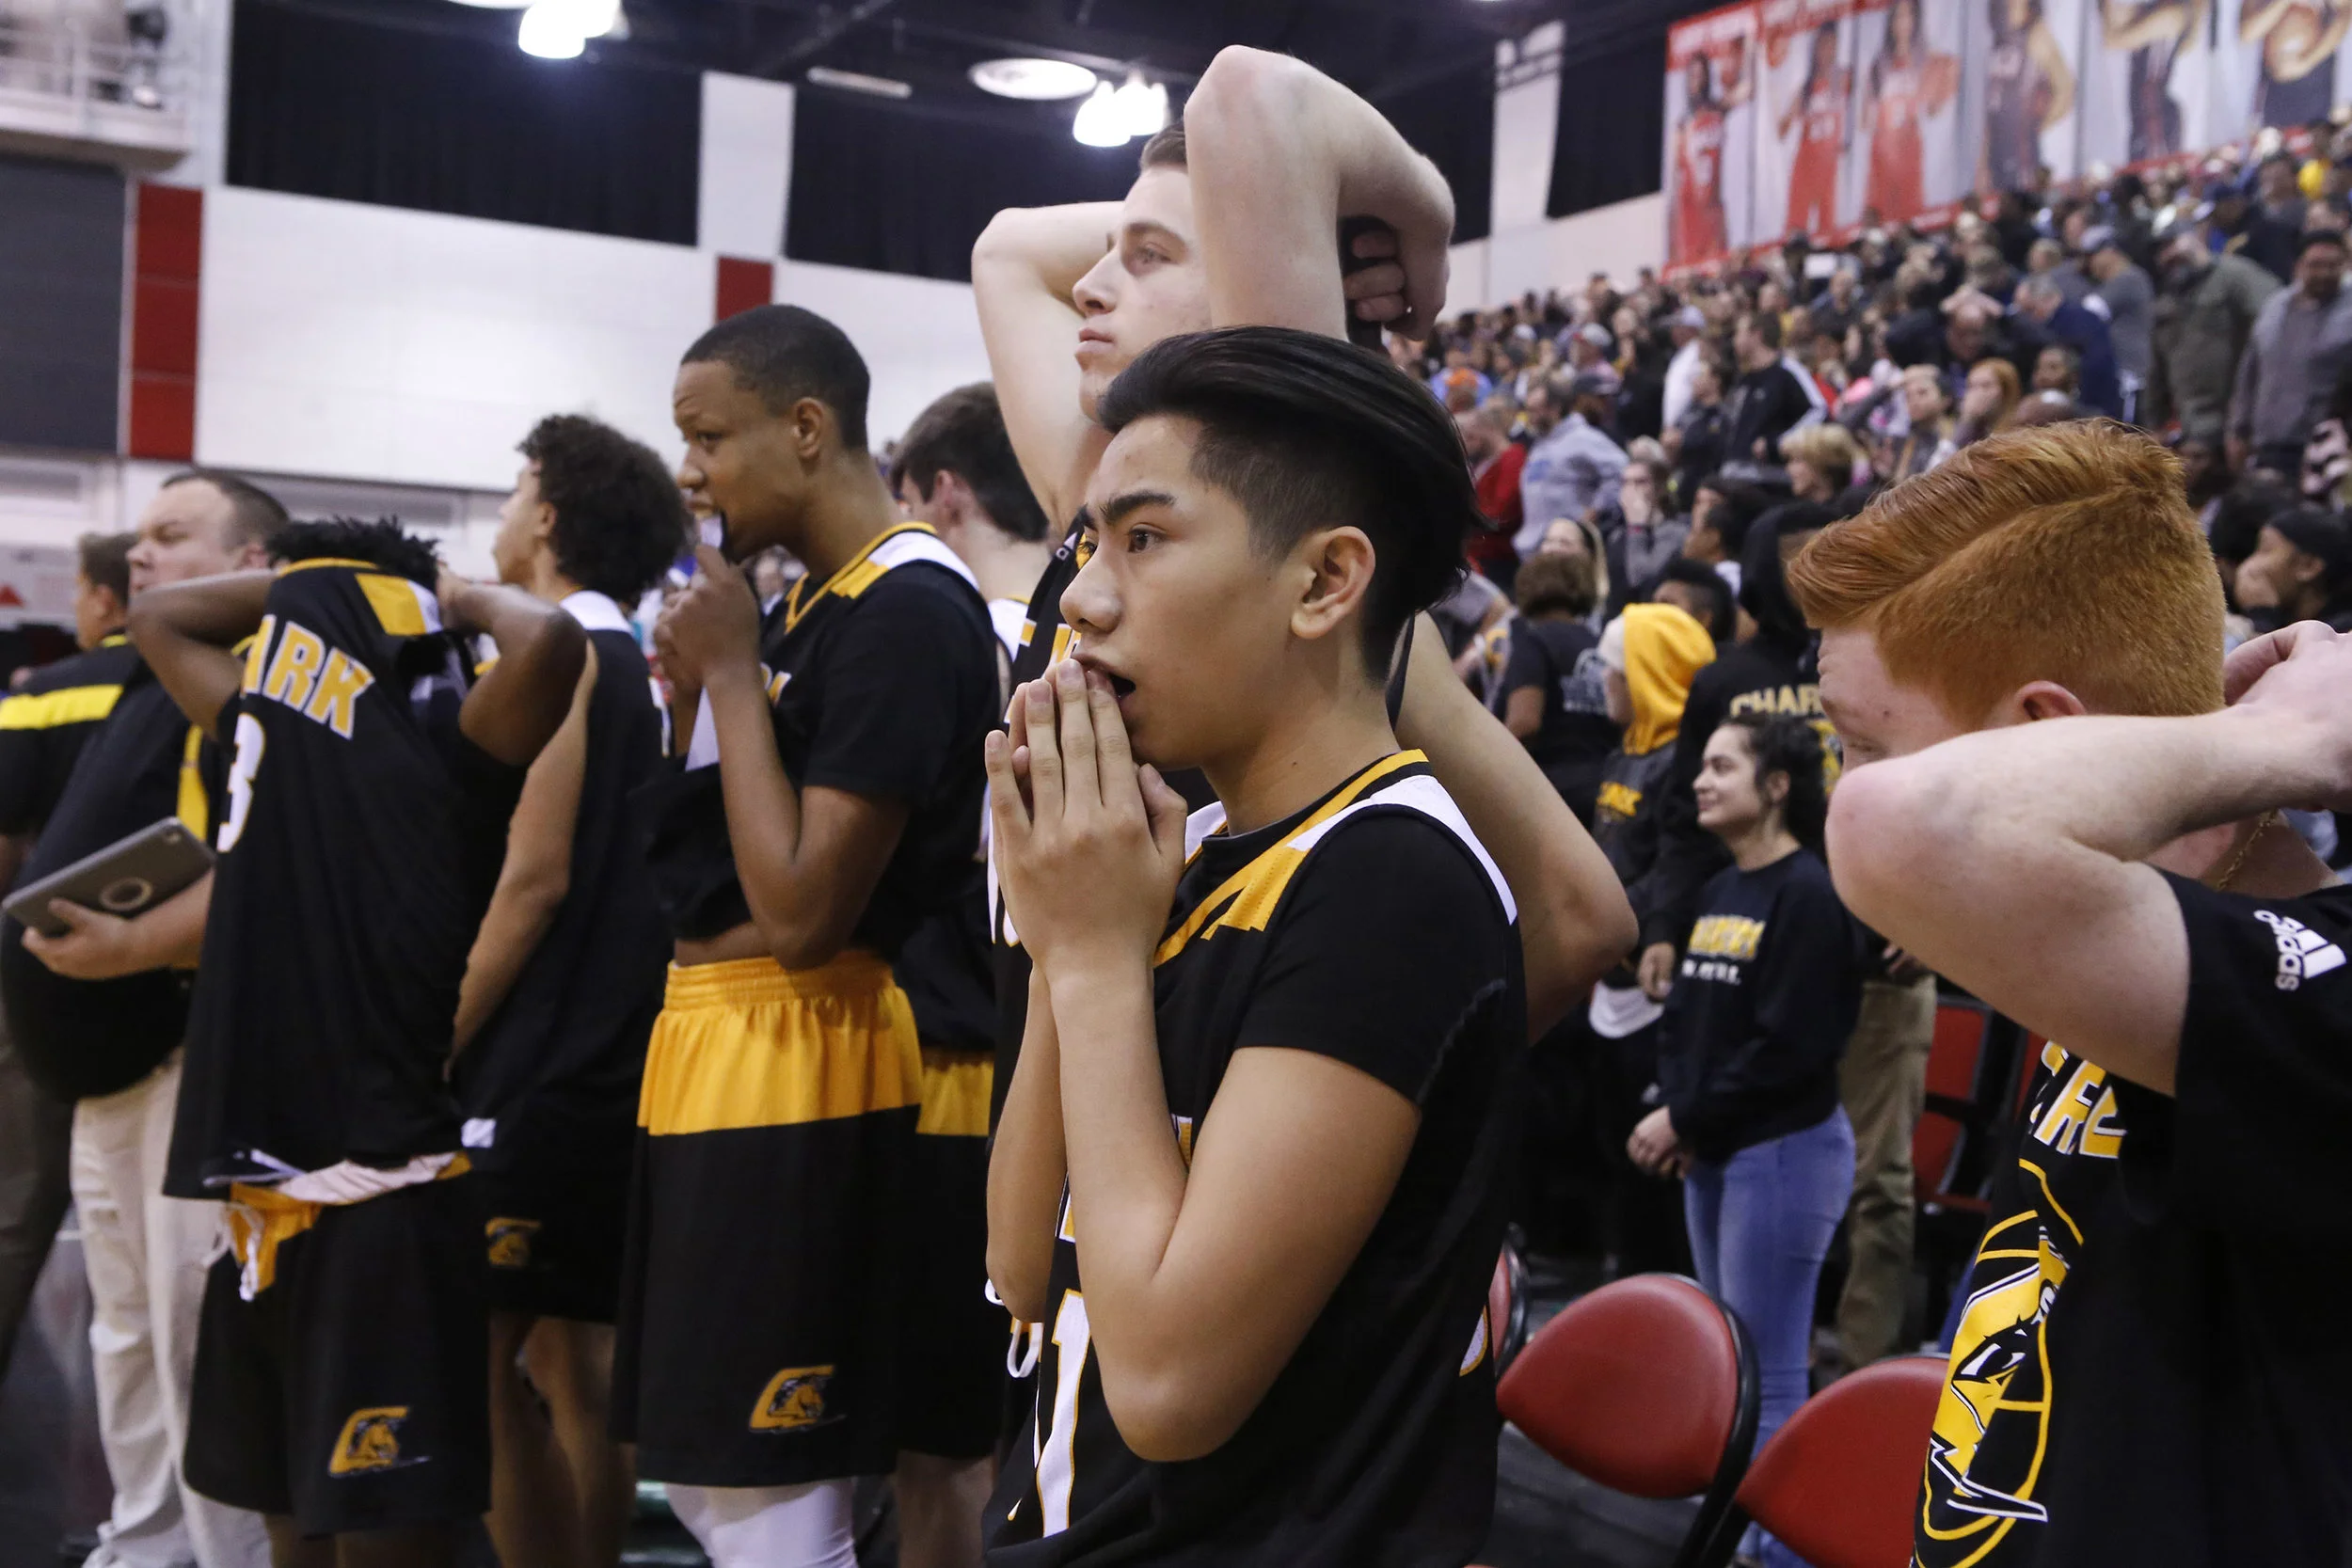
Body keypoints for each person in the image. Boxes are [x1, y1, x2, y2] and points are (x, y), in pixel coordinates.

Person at [984, 325, 1607, 1563]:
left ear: (1324, 583)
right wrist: (1066, 930)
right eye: (1091, 542)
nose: (1086, 595)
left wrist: (1100, 956)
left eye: (1145, 538)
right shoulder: (1199, 856)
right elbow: (1016, 1261)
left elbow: (1167, 1384)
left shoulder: (1393, 878)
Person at [1789, 418, 2352, 1565]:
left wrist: (2284, 739)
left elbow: (1908, 824)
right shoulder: (2102, 947)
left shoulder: (2314, 994)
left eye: (1859, 738)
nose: (1839, 780)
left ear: (2040, 733)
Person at [133, 517, 584, 1568]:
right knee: (288, 1520)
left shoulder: (451, 731)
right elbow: (155, 617)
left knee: (389, 1540)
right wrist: (305, 589)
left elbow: (550, 644)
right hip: (262, 1185)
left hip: (386, 1190)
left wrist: (446, 591)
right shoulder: (259, 716)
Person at [625, 305, 1000, 1568]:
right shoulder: (815, 608)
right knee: (724, 1486)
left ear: (805, 427)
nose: (690, 470)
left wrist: (731, 680)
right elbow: (704, 869)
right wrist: (707, 692)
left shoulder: (904, 607)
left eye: (707, 436)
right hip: (758, 1059)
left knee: (780, 1490)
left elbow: (797, 913)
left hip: (840, 1062)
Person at [5, 478, 290, 1568]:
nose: (141, 556)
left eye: (173, 537)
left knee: (190, 1336)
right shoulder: (137, 682)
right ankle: (142, 1539)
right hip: (104, 1065)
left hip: (193, 1053)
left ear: (251, 558)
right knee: (123, 1328)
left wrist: (130, 946)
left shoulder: (255, 689)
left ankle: (228, 1553)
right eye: (140, 539)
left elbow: (264, 870)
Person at [453, 417, 686, 1568]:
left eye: (513, 491)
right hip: (609, 1055)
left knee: (472, 1359)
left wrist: (435, 1034)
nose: (499, 516)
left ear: (547, 516)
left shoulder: (560, 651)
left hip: (544, 1066)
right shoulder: (627, 653)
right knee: (571, 1367)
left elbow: (531, 877)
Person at [1629, 714, 1862, 1568]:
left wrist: (1686, 1118)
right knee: (1736, 1372)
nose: (1699, 779)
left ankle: (1781, 1553)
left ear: (1775, 786)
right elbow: (1692, 1024)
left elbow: (1791, 1046)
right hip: (1723, 1147)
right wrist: (1688, 1115)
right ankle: (1739, 1539)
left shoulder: (1810, 894)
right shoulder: (1724, 891)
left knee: (1769, 1372)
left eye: (1723, 765)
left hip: (1784, 1150)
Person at [0, 530, 135, 1380]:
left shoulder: (41, 694)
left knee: (21, 1202)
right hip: (172, 983)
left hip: (44, 974)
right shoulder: (200, 691)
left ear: (104, 598)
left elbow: (4, 841)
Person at [1587, 600, 1718, 1277]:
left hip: (1653, 974)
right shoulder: (1624, 749)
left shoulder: (1683, 765)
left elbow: (1673, 868)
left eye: (1617, 670)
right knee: (1612, 1145)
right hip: (1608, 972)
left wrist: (1607, 917)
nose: (1606, 683)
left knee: (1653, 1159)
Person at [892, 382, 1057, 660]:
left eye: (911, 504)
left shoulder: (972, 646)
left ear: (946, 489)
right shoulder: (1085, 622)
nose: (908, 521)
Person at [1495, 551, 1617, 826]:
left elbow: (1524, 723)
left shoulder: (1533, 642)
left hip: (1552, 795)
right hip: (1605, 789)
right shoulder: (1600, 644)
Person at [2231, 230, 2352, 477]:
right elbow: (2250, 371)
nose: (2324, 273)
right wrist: (2238, 429)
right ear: (2299, 265)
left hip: (2327, 448)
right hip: (2268, 442)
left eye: (2333, 265)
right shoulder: (2275, 308)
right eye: (2316, 265)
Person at [2148, 229, 2280, 445]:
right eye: (2160, 251)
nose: (2167, 254)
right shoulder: (2166, 302)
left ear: (2197, 237)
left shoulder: (2235, 274)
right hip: (2193, 424)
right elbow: (2157, 370)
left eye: (2172, 243)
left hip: (2240, 416)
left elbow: (2273, 322)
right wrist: (2155, 424)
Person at [1862, 0, 1958, 226]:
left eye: (1908, 16)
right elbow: (1865, 120)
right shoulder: (1879, 64)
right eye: (1898, 16)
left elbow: (1935, 110)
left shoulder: (1927, 61)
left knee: (1910, 215)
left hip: (1911, 148)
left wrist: (1946, 78)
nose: (1903, 23)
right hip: (1882, 150)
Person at [1522, 372, 1630, 546]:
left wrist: (1597, 508)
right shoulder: (1540, 444)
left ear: (1555, 408)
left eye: (1535, 410)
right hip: (1540, 545)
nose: (1530, 417)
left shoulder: (1581, 437)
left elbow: (1622, 468)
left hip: (1570, 543)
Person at [1981, 0, 2073, 197]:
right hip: (1995, 150)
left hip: (2021, 155)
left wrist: (2036, 127)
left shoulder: (2035, 33)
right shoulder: (1996, 31)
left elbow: (2066, 87)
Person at [1724, 311, 1820, 478]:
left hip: (1771, 472)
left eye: (1739, 333)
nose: (1734, 341)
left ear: (1756, 335)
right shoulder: (1744, 380)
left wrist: (1777, 443)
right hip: (1734, 469)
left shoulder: (1786, 370)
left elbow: (1818, 411)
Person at [2097, 0, 2195, 163]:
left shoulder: (2173, 14)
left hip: (2156, 121)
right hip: (2142, 115)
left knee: (2153, 173)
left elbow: (2112, 40)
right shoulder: (2154, 9)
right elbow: (2114, 18)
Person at [2011, 275, 2122, 418]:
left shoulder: (2080, 320)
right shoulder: (2064, 323)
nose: (2030, 319)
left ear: (2047, 298)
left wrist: (2084, 408)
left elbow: (2097, 364)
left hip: (2093, 407)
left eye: (2030, 310)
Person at [1777, 23, 1850, 238]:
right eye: (1822, 45)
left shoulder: (1845, 79)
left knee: (1829, 227)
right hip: (1806, 163)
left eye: (1831, 45)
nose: (1826, 51)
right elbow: (1782, 129)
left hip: (1831, 164)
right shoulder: (1806, 88)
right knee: (1796, 224)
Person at [1595, 454, 1687, 617]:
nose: (1632, 490)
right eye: (1626, 483)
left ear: (1660, 488)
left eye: (1641, 482)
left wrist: (1637, 526)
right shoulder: (1616, 536)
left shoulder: (1674, 532)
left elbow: (1640, 580)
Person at [2235, 502, 2352, 629]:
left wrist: (2262, 616)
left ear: (2308, 566)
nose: (2251, 563)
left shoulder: (2340, 633)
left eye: (2266, 550)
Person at [2243, 0, 2348, 128]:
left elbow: (2344, 14)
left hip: (2313, 77)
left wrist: (2307, 62)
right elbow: (2247, 34)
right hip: (2269, 86)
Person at [2084, 227, 2154, 419]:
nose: (2089, 263)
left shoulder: (2130, 278)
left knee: (2129, 436)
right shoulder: (2115, 282)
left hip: (2132, 375)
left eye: (2093, 255)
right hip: (2123, 376)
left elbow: (2090, 311)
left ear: (2110, 252)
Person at [1458, 404, 1527, 590]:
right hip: (1479, 556)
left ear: (1487, 430)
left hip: (1497, 561)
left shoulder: (1512, 459)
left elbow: (1502, 511)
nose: (1466, 442)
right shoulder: (1486, 462)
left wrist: (1464, 517)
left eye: (1470, 436)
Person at [1673, 57, 1733, 268]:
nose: (1697, 80)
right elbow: (1675, 174)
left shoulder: (1718, 108)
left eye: (1701, 74)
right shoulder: (1683, 122)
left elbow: (1747, 89)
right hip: (1691, 206)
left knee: (1720, 263)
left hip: (1713, 203)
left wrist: (1749, 42)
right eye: (1693, 75)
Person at [1892, 363, 1959, 479]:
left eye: (1922, 393)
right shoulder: (1905, 439)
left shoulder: (1956, 437)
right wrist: (1888, 388)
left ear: (1946, 399)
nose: (1914, 401)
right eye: (1908, 396)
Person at [1953, 356, 2022, 448]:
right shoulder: (1967, 428)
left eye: (1986, 386)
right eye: (1971, 386)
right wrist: (1966, 420)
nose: (1977, 393)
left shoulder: (2020, 428)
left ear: (2006, 391)